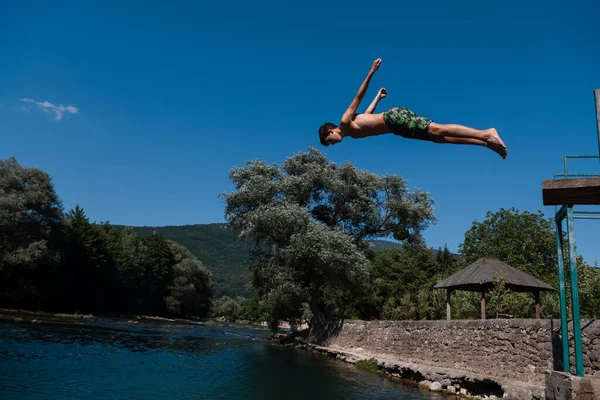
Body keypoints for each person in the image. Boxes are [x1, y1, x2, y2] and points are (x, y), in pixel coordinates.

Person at [318, 58, 508, 159]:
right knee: (438, 139)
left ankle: (486, 133)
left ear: (332, 130)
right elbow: (367, 115)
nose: (333, 143)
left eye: (330, 140)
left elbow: (358, 97)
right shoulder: (353, 132)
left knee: (437, 129)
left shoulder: (345, 121)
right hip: (397, 129)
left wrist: (372, 71)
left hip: (395, 117)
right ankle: (485, 143)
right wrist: (378, 97)